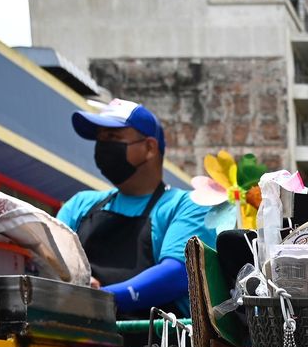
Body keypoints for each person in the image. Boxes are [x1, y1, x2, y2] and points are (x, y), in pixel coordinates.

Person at [56, 98, 215, 316]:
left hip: (152, 345)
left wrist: (100, 299)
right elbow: (51, 257)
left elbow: (177, 274)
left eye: (113, 137)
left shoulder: (187, 205)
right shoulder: (79, 205)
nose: (103, 147)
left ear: (150, 148)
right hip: (80, 342)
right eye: (100, 139)